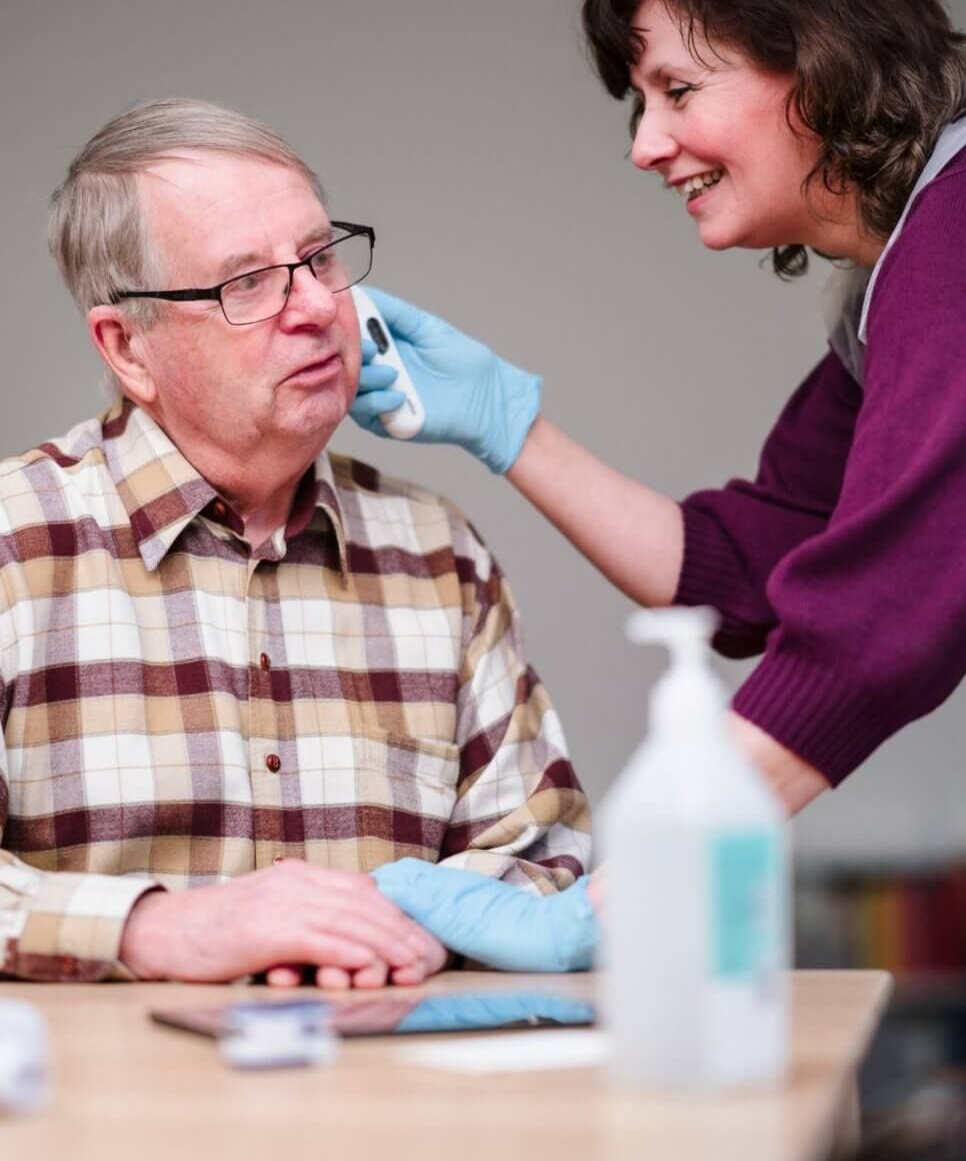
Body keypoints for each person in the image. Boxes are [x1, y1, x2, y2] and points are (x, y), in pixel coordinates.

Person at [353, 0, 966, 967]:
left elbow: (886, 612)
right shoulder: (902, 278)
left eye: (678, 90)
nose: (646, 145)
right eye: (636, 103)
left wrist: (616, 901)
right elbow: (749, 570)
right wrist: (508, 427)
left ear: (824, 63)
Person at [0, 97, 591, 986]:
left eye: (319, 258)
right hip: (101, 1116)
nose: (317, 305)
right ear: (128, 349)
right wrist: (161, 929)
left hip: (387, 1105)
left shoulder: (438, 553)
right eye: (248, 282)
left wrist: (408, 933)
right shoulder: (16, 545)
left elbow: (542, 852)